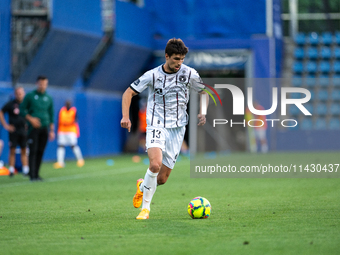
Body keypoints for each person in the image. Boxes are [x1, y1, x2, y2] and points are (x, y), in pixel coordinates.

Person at [121, 38, 208, 220]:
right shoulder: (152, 75)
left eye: (182, 59)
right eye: (176, 59)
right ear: (166, 56)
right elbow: (128, 92)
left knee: (161, 179)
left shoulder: (189, 73)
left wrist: (203, 111)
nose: (179, 63)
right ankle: (145, 209)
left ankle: (142, 186)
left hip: (177, 129)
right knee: (154, 164)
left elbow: (204, 92)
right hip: (156, 124)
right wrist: (126, 116)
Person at [20, 75, 55, 181]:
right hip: (33, 129)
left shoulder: (48, 98)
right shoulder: (30, 96)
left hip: (44, 128)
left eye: (45, 84)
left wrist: (52, 130)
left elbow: (51, 114)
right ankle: (32, 174)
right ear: (37, 83)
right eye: (41, 83)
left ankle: (37, 173)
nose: (43, 86)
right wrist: (31, 119)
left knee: (40, 151)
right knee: (33, 150)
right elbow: (22, 110)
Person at [0, 86, 29, 177]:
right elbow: (1, 112)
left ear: (23, 94)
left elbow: (31, 114)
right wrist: (6, 125)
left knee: (24, 150)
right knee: (12, 150)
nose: (19, 95)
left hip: (23, 131)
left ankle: (25, 169)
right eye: (17, 93)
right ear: (15, 94)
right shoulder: (11, 104)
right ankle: (11, 169)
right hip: (14, 131)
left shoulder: (26, 104)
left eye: (21, 93)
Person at [53, 100, 84, 169]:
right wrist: (57, 132)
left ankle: (80, 160)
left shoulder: (73, 111)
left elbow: (75, 120)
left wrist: (68, 122)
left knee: (73, 145)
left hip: (71, 131)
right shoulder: (61, 111)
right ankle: (60, 162)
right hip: (62, 130)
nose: (68, 104)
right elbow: (59, 121)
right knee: (61, 145)